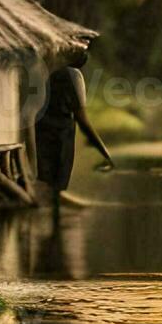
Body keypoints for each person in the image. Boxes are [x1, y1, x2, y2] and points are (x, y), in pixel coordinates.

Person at [35, 50, 114, 217]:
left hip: (40, 134)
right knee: (57, 189)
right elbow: (82, 119)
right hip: (60, 136)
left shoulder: (43, 72)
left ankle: (48, 234)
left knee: (47, 186)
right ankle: (54, 234)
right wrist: (103, 151)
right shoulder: (73, 76)